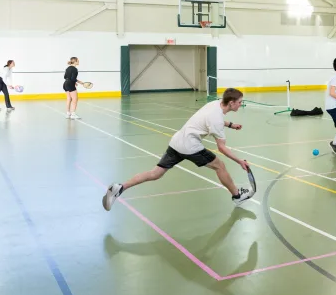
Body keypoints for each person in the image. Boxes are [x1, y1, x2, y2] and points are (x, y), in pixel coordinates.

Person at [102, 88, 253, 210]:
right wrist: (239, 161)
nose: (241, 104)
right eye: (240, 102)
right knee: (220, 166)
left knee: (155, 173)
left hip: (177, 141)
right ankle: (237, 196)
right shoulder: (217, 120)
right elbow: (222, 147)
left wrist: (231, 125)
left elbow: (213, 120)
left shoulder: (215, 104)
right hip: (190, 146)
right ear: (231, 103)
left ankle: (120, 187)